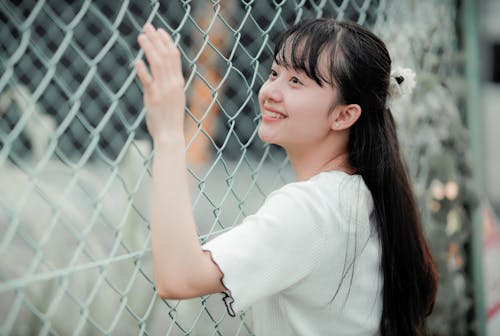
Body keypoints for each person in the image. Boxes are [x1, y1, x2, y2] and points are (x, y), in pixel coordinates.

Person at [135, 18, 439, 335]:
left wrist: (169, 132)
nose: (270, 92)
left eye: (297, 82)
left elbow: (179, 276)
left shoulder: (310, 208)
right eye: (275, 73)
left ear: (344, 114)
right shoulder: (359, 192)